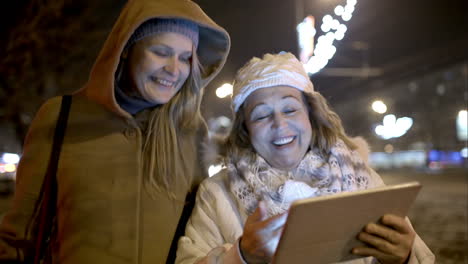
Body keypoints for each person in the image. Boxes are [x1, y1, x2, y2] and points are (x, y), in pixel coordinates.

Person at [0, 0, 230, 263]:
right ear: (126, 48)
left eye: (185, 58)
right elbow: (20, 238)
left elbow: (202, 232)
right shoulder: (62, 117)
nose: (174, 69)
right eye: (161, 52)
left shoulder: (191, 130)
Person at [176, 52, 435, 264]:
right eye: (261, 115)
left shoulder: (361, 178)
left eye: (290, 109)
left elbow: (421, 258)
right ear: (245, 129)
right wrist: (241, 256)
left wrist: (404, 257)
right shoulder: (217, 193)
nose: (279, 124)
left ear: (311, 115)